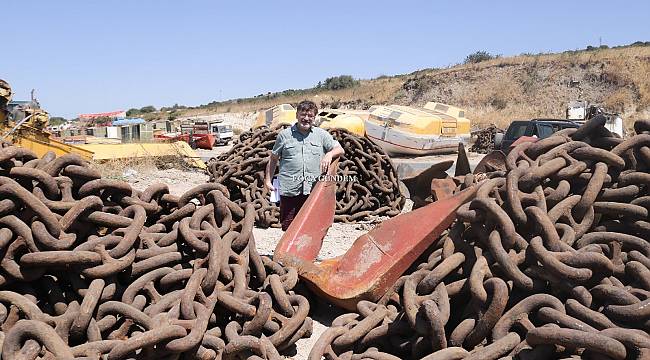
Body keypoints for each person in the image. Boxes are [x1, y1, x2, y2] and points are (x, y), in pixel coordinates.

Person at [264, 100, 344, 231]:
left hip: (312, 190)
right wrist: (268, 181)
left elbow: (340, 149)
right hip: (289, 190)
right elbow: (273, 159)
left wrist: (329, 155)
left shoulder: (321, 135)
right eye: (303, 115)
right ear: (297, 115)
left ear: (314, 117)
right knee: (288, 226)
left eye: (310, 116)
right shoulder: (284, 135)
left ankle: (304, 251)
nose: (306, 118)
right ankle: (288, 252)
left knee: (311, 227)